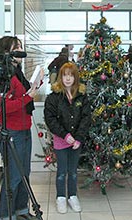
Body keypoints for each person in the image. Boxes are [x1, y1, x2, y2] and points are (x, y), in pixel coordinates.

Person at [0, 36, 41, 220]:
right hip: (12, 132)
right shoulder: (4, 75)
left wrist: (35, 86)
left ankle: (21, 211)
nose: (21, 49)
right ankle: (5, 216)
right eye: (17, 47)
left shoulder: (17, 72)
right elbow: (5, 107)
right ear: (7, 52)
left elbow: (22, 94)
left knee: (24, 174)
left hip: (24, 129)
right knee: (13, 177)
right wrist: (29, 97)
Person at [44, 62, 91, 214]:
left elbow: (86, 118)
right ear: (61, 77)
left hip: (76, 142)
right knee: (62, 171)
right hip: (61, 140)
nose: (68, 78)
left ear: (75, 77)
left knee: (73, 171)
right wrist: (65, 135)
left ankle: (72, 196)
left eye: (71, 75)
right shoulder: (54, 97)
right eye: (65, 75)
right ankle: (61, 197)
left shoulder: (82, 97)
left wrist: (78, 138)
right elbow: (50, 119)